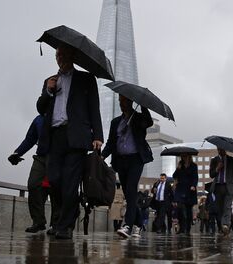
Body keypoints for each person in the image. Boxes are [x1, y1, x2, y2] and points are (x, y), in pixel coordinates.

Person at [36, 44, 104, 239]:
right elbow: (41, 108)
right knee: (54, 179)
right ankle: (65, 216)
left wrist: (98, 135)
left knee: (70, 183)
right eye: (57, 54)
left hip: (77, 136)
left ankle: (65, 226)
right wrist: (48, 91)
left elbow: (94, 108)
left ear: (72, 56)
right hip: (55, 136)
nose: (60, 57)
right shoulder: (50, 81)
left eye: (63, 54)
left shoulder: (86, 79)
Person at [102, 95, 154, 238]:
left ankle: (128, 226)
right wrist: (102, 156)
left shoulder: (138, 118)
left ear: (131, 102)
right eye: (120, 101)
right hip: (121, 161)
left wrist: (143, 104)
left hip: (136, 160)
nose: (121, 103)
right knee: (129, 195)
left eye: (124, 101)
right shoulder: (115, 122)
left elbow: (148, 122)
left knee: (131, 189)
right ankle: (138, 225)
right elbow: (111, 143)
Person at [8, 109, 59, 234]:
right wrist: (17, 152)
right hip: (41, 157)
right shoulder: (38, 119)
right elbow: (30, 139)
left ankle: (57, 224)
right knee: (33, 184)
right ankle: (38, 221)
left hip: (58, 157)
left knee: (56, 190)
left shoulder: (62, 117)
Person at [209, 147, 233, 236]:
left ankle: (226, 225)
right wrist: (217, 168)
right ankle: (221, 226)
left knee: (227, 207)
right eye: (219, 149)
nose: (221, 151)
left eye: (223, 149)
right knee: (219, 209)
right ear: (217, 149)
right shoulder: (214, 160)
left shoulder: (232, 160)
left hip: (229, 187)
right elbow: (211, 175)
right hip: (218, 187)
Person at [172, 154, 198, 235]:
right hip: (180, 189)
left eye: (185, 156)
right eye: (182, 156)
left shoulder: (193, 166)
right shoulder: (180, 165)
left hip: (190, 190)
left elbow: (195, 177)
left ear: (189, 156)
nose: (183, 157)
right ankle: (181, 228)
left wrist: (193, 185)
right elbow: (174, 176)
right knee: (180, 209)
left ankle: (187, 228)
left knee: (188, 210)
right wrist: (178, 168)